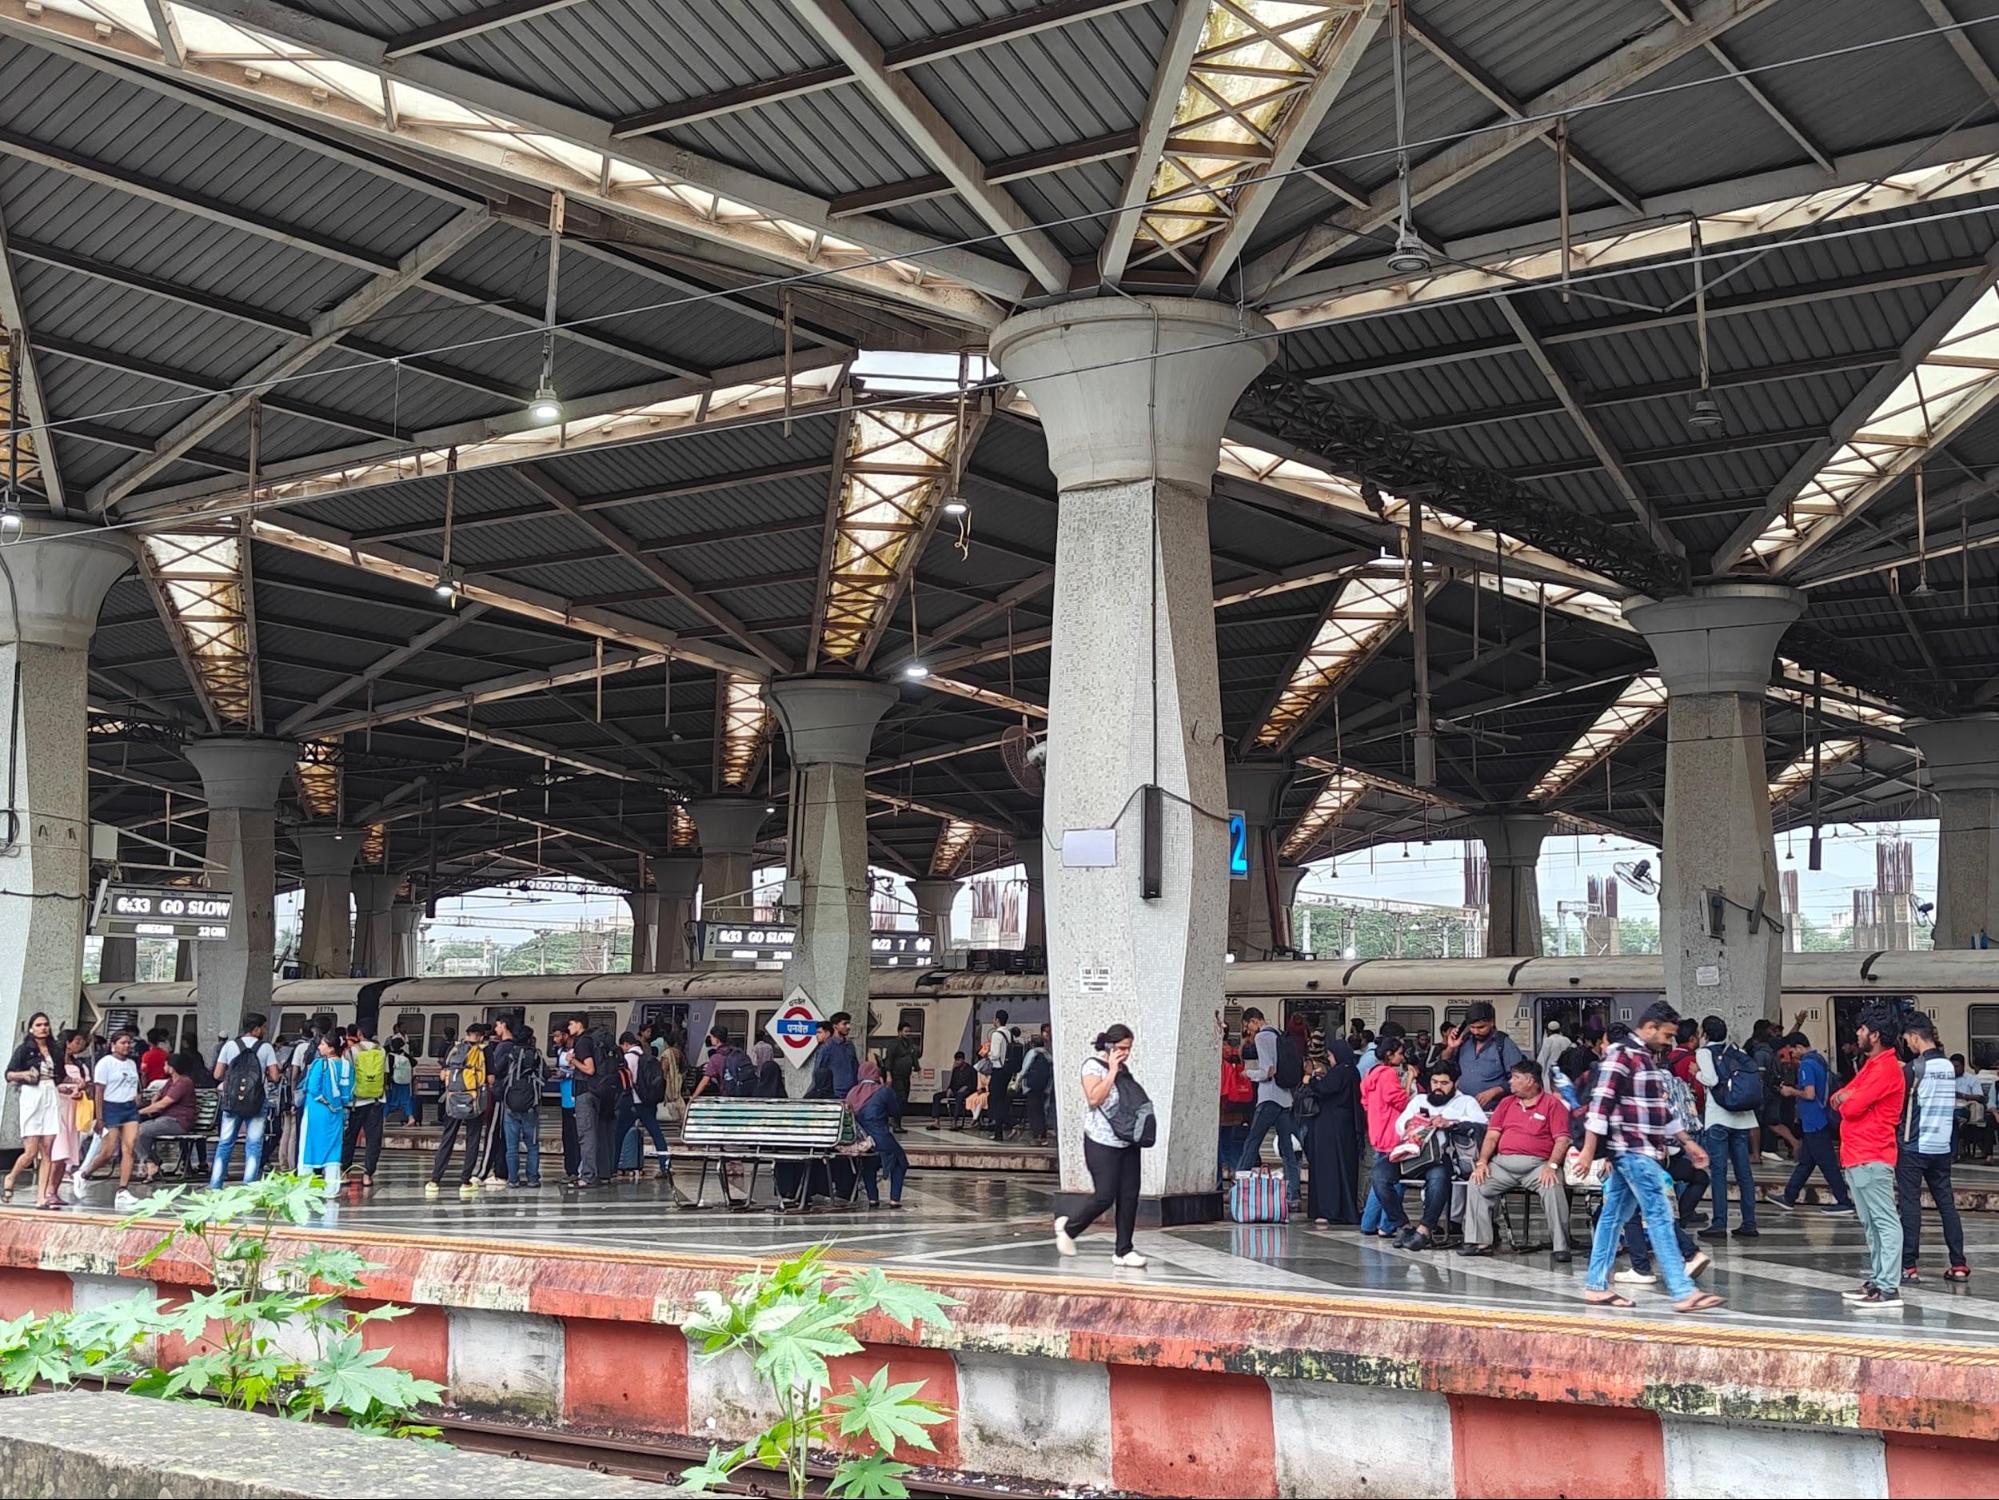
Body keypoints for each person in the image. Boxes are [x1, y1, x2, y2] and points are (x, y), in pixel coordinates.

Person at [1575, 1001, 1722, 1314]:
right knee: (1659, 1215)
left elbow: (1661, 1110)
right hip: (1632, 1150)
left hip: (1637, 1150)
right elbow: (1600, 1106)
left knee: (1612, 1217)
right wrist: (1588, 1151)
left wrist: (1686, 1142)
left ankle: (1596, 1286)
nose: (1670, 1041)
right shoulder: (1622, 1055)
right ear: (1651, 1027)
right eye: (1668, 1035)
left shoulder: (1645, 1059)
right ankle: (1683, 1292)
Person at [1831, 1001, 1910, 1310]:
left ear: (1874, 1035)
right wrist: (1846, 1097)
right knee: (1871, 1223)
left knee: (1884, 1221)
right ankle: (1879, 1281)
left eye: (1862, 1029)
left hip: (1871, 1153)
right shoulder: (1873, 1067)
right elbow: (1836, 1098)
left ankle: (1889, 1287)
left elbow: (1847, 1106)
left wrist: (1846, 1098)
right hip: (1859, 1154)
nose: (1858, 1033)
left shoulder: (1886, 1069)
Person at [1461, 1060, 1572, 1262]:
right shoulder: (1506, 1103)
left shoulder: (1552, 1104)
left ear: (1530, 1081)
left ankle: (1560, 1246)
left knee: (1553, 1185)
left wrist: (1552, 1166)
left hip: (1538, 1165)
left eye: (1516, 1078)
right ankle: (1480, 1242)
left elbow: (1562, 1140)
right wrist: (1482, 1162)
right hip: (1503, 1164)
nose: (1510, 1082)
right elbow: (1492, 1136)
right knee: (1477, 1182)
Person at [1054, 1024, 1146, 1267]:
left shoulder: (1125, 1069)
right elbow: (1094, 1098)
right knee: (1105, 1195)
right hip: (1101, 1141)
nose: (1126, 1053)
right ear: (1110, 1046)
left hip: (1126, 1141)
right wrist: (1112, 1071)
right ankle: (1069, 1230)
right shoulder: (1092, 1066)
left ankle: (1124, 1250)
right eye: (1122, 1048)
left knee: (1129, 1196)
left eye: (1129, 1048)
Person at [1898, 1014, 1969, 1284]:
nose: (1908, 1044)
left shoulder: (1914, 1068)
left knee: (1910, 1204)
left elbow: (1902, 1102)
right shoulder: (1949, 1066)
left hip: (1914, 1146)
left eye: (1908, 1040)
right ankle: (1959, 1264)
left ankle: (1908, 1266)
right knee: (1946, 1205)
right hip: (1941, 1146)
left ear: (1915, 1037)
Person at [1387, 1063, 1486, 1250]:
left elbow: (1481, 1126)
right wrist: (1414, 1122)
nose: (1438, 1087)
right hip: (1412, 1154)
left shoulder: (1466, 1102)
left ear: (1455, 1083)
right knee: (1380, 1175)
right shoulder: (1419, 1100)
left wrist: (1452, 1123)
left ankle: (1424, 1230)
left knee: (1438, 1178)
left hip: (1441, 1157)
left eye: (1444, 1083)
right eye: (1434, 1082)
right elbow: (1399, 1126)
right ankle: (1403, 1226)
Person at [1694, 1016, 1761, 1241]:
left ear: (1705, 1034)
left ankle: (1719, 1223)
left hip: (1719, 1120)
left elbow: (1711, 1080)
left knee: (1719, 1173)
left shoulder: (1704, 1053)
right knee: (1744, 1174)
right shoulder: (1736, 1050)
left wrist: (1696, 1072)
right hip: (1742, 1119)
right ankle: (1749, 1222)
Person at [1772, 1030, 1853, 1213]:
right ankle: (1789, 1196)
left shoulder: (1807, 1065)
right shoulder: (1820, 1060)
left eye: (1792, 1052)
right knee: (1806, 1162)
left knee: (1828, 1164)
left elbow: (1809, 1094)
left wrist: (1791, 1091)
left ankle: (1844, 1201)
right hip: (1819, 1118)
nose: (1792, 1056)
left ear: (1799, 1047)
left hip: (1813, 1120)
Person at [1235, 1008, 1301, 1211]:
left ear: (1255, 1021)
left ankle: (1240, 1186)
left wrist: (1249, 1073)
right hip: (1285, 1099)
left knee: (1251, 1143)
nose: (1249, 1032)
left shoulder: (1263, 1037)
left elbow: (1268, 1071)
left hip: (1269, 1098)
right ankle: (1293, 1196)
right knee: (1287, 1150)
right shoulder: (1279, 1033)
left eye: (1248, 1027)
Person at [209, 1015, 280, 1189]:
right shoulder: (266, 1048)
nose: (264, 1031)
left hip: (232, 1101)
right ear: (256, 1029)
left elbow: (217, 1074)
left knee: (225, 1142)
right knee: (254, 1144)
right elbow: (275, 1076)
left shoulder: (230, 1045)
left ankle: (216, 1185)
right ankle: (249, 1187)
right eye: (263, 1027)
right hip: (257, 1101)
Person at [426, 1023, 495, 1196]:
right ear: (480, 1036)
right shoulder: (485, 1050)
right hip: (474, 1101)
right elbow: (491, 1079)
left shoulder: (454, 1048)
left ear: (467, 1034)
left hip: (453, 1100)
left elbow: (443, 1075)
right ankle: (465, 1181)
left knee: (448, 1138)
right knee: (472, 1139)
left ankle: (434, 1181)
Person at [1299, 1037, 1361, 1225]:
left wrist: (1310, 1080)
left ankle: (1328, 1209)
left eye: (1331, 1055)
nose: (1330, 1059)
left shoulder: (1339, 1072)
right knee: (1345, 1168)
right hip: (1346, 1126)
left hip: (1329, 1127)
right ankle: (1344, 1209)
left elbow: (1324, 1090)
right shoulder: (1353, 1071)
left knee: (1329, 1168)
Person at [1359, 1033, 1415, 1237]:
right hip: (1392, 1133)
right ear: (1390, 1055)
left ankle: (1368, 1223)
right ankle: (1388, 1225)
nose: (1402, 1058)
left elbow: (1365, 1102)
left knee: (1379, 1180)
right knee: (1393, 1181)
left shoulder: (1370, 1074)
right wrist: (1409, 1081)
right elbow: (1401, 1102)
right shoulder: (1389, 1074)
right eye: (1400, 1054)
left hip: (1376, 1131)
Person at [4, 1012, 60, 1203]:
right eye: (38, 1025)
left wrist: (75, 1083)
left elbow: (60, 1076)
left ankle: (41, 1196)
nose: (43, 1028)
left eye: (45, 1024)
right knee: (30, 1150)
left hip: (50, 1093)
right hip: (32, 1095)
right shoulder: (24, 1050)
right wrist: (25, 1074)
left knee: (48, 1149)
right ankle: (11, 1177)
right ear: (31, 1028)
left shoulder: (54, 1049)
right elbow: (9, 1074)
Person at [91, 1031, 144, 1211]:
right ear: (113, 1045)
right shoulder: (105, 1063)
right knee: (107, 1151)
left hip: (129, 1109)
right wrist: (99, 1116)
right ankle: (84, 1174)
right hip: (111, 1107)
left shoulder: (131, 1063)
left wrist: (137, 1096)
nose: (127, 1046)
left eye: (129, 1043)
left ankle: (122, 1189)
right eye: (123, 1043)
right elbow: (98, 1091)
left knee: (129, 1148)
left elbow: (136, 1083)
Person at [130, 1051, 199, 1184]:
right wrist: (155, 1099)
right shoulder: (171, 1081)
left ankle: (151, 1162)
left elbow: (164, 1103)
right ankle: (152, 1161)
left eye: (166, 1064)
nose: (164, 1066)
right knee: (134, 1130)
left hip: (178, 1121)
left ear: (172, 1067)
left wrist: (140, 1112)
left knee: (140, 1130)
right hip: (165, 1119)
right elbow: (159, 1096)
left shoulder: (184, 1082)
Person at [848, 1060, 908, 1208]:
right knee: (900, 1161)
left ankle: (873, 1199)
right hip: (880, 1138)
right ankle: (894, 1199)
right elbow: (896, 1112)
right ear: (877, 1075)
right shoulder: (883, 1091)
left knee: (870, 1163)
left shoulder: (852, 1092)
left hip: (861, 1141)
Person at [297, 1031, 354, 1189]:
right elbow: (349, 1091)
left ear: (331, 1049)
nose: (320, 1047)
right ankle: (332, 1186)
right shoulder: (346, 1066)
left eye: (323, 1044)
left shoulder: (319, 1064)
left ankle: (305, 1184)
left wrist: (326, 1101)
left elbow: (313, 1088)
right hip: (336, 1113)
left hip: (315, 1111)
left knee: (309, 1146)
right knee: (333, 1148)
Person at [45, 1029, 94, 1209]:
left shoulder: (81, 1066)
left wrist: (82, 1088)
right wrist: (63, 1089)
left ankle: (54, 1191)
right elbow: (48, 1084)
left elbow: (89, 1088)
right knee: (57, 1152)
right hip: (57, 1111)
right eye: (78, 1041)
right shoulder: (53, 1064)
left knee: (65, 1155)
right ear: (67, 1043)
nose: (80, 1045)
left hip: (73, 1112)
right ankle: (49, 1190)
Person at [616, 1030, 673, 1179]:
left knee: (618, 1135)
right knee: (656, 1134)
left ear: (626, 1044)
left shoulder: (627, 1058)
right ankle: (665, 1165)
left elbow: (624, 1082)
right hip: (648, 1102)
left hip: (632, 1102)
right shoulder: (649, 1058)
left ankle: (612, 1166)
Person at [567, 1017, 616, 1188]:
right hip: (598, 1092)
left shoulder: (582, 1043)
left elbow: (589, 1068)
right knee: (599, 1133)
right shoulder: (594, 1040)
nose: (569, 1027)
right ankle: (603, 1173)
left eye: (571, 1023)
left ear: (580, 1024)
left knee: (586, 1135)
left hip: (585, 1092)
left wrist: (572, 1061)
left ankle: (588, 1176)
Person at [497, 1022, 544, 1190]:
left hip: (510, 1105)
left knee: (511, 1147)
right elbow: (546, 1074)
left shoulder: (510, 1054)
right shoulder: (536, 1055)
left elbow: (497, 1070)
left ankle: (513, 1180)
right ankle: (532, 1179)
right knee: (532, 1145)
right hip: (531, 1106)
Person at [1453, 1002, 1524, 1111]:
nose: (1476, 1031)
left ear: (1492, 1022)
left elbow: (1520, 1077)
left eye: (1481, 1027)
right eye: (1472, 1027)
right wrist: (1450, 1047)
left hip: (1493, 1110)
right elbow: (1447, 1067)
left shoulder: (1504, 1044)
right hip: (1462, 1108)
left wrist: (1496, 1090)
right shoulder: (1464, 1041)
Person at [341, 1022, 386, 1187]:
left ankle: (345, 1172)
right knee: (373, 1139)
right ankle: (368, 1175)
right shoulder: (381, 1050)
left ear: (359, 1034)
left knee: (350, 1138)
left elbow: (347, 1076)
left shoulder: (352, 1051)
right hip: (377, 1100)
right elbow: (385, 1074)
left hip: (356, 1102)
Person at [1019, 1027, 1054, 1145]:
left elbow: (1024, 1070)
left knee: (1033, 1112)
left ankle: (1036, 1136)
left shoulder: (1032, 1053)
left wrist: (1018, 1082)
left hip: (1032, 1087)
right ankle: (1043, 1136)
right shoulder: (1048, 1056)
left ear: (1033, 1044)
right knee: (1042, 1112)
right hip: (1044, 1088)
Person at [984, 1009, 1015, 1140]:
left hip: (998, 1070)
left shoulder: (997, 1035)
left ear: (997, 1020)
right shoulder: (1009, 1033)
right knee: (1001, 1101)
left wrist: (987, 1054)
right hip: (1007, 1070)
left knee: (995, 1101)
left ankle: (1001, 1130)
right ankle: (1002, 1129)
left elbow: (995, 1054)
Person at [879, 1022, 920, 1119]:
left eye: (909, 1031)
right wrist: (888, 1075)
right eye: (906, 1031)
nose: (908, 1033)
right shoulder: (894, 1044)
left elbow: (914, 1057)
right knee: (899, 1098)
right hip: (896, 1075)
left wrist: (918, 1069)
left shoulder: (910, 1044)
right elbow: (889, 1059)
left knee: (904, 1098)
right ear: (899, 1032)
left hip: (906, 1076)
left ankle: (898, 1120)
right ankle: (895, 1121)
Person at [825, 1013, 860, 1103]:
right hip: (836, 1093)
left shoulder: (850, 1045)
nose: (848, 1027)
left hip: (852, 1092)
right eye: (844, 1024)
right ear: (835, 1026)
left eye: (849, 1023)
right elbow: (819, 1070)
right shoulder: (827, 1047)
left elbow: (855, 1066)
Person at [934, 1051, 977, 1125]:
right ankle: (936, 1120)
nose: (957, 1062)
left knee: (959, 1096)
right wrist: (949, 1089)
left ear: (963, 1059)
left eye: (958, 1060)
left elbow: (974, 1084)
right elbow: (952, 1082)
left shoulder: (971, 1070)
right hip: (955, 1090)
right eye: (956, 1060)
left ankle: (955, 1120)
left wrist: (966, 1087)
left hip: (966, 1091)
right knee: (936, 1096)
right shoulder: (956, 1070)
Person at [384, 1035, 415, 1126]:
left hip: (394, 1082)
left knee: (389, 1100)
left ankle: (384, 1118)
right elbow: (414, 1063)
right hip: (405, 1082)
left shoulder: (390, 1056)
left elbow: (387, 1071)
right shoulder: (405, 1055)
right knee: (406, 1100)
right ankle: (411, 1117)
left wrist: (386, 1083)